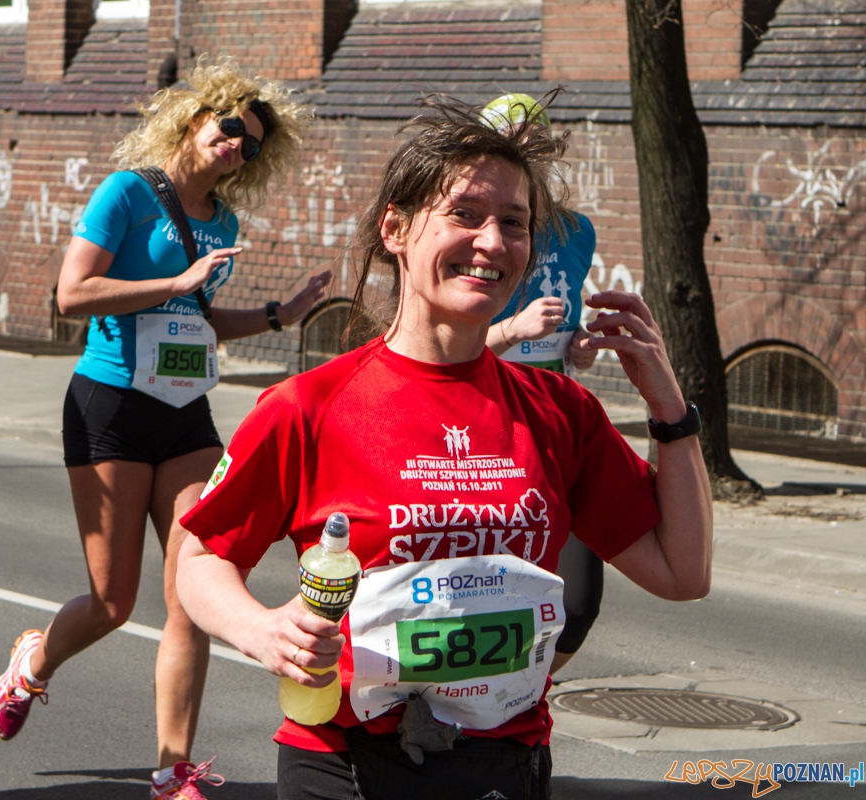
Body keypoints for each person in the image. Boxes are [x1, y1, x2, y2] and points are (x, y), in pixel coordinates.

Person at [174, 95, 712, 799]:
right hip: (346, 762)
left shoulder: (561, 412)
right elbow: (200, 557)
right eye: (465, 214)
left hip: (504, 763)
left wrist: (670, 411)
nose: (493, 242)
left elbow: (683, 571)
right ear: (395, 229)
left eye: (513, 224)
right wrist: (264, 629)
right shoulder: (308, 407)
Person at [0, 57, 330, 799]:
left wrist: (280, 314)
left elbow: (196, 321)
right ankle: (32, 664)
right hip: (108, 405)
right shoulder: (127, 195)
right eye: (232, 127)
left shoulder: (225, 222)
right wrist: (173, 283)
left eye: (254, 143)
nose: (238, 145)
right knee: (113, 603)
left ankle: (174, 769)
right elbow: (72, 294)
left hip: (186, 414)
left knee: (193, 594)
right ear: (198, 117)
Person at [481, 93, 605, 674]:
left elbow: (568, 324)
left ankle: (526, 691)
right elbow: (433, 345)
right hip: (483, 419)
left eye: (532, 141)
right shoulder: (478, 230)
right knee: (490, 593)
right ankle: (479, 712)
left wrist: (577, 344)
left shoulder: (577, 232)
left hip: (553, 415)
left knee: (577, 600)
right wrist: (511, 328)